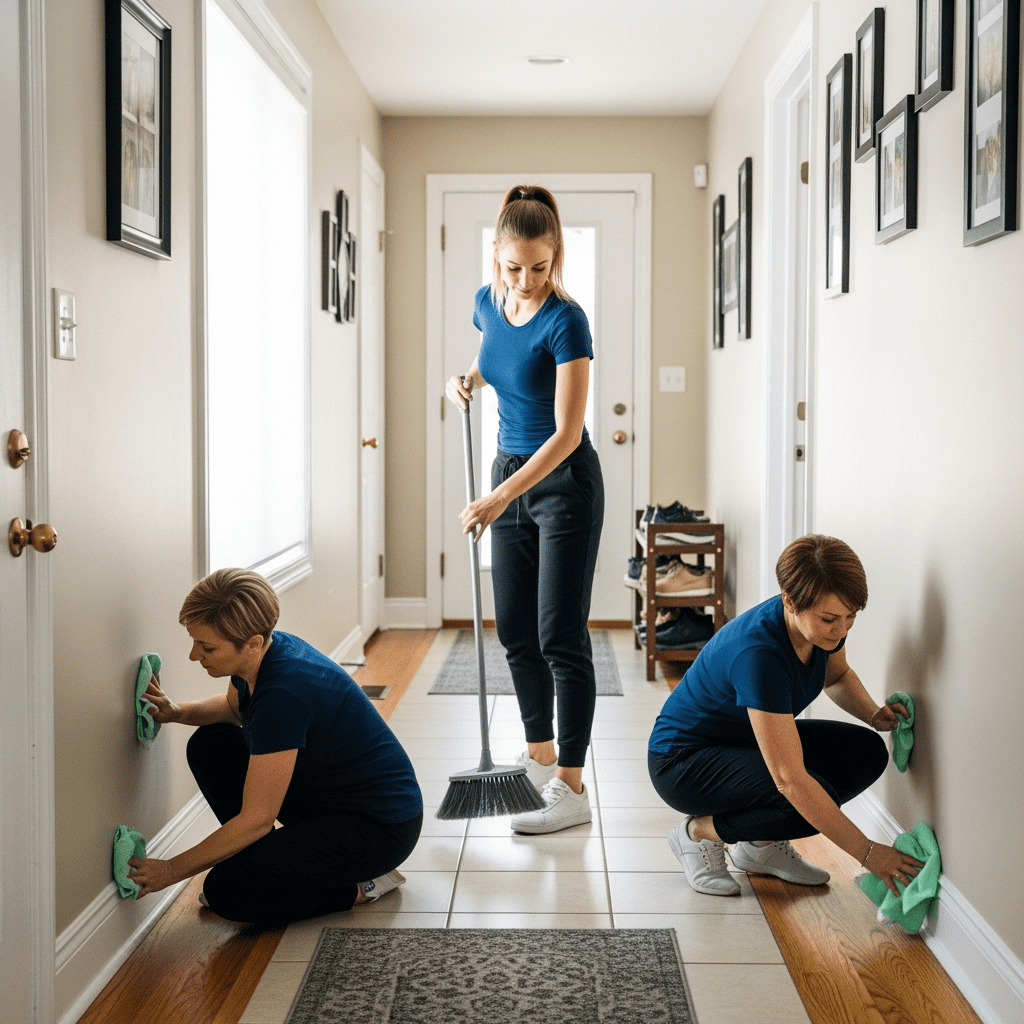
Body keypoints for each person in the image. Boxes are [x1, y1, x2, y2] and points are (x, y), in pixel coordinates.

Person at [128, 569, 423, 924]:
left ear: (251, 643)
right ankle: (264, 864)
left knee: (226, 891)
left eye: (206, 647)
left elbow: (257, 819)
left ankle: (365, 885)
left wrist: (170, 870)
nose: (194, 655)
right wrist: (177, 712)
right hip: (328, 798)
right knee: (210, 744)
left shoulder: (283, 694)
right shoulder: (261, 654)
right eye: (195, 641)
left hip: (378, 828)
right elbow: (234, 709)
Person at [445, 184, 604, 835]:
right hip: (507, 476)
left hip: (562, 482)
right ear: (495, 257)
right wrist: (464, 381)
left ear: (554, 255)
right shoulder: (487, 303)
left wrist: (498, 496)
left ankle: (571, 782)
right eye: (515, 267)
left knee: (559, 636)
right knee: (514, 630)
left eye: (541, 266)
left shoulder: (568, 320)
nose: (529, 279)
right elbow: (498, 364)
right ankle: (538, 755)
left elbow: (566, 432)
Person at [648, 535, 924, 897]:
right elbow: (789, 780)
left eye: (850, 617)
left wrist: (873, 714)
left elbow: (836, 676)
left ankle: (759, 847)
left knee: (866, 753)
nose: (841, 630)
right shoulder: (759, 656)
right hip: (683, 763)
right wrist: (869, 854)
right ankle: (697, 834)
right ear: (790, 602)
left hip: (742, 742)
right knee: (803, 800)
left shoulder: (822, 632)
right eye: (830, 619)